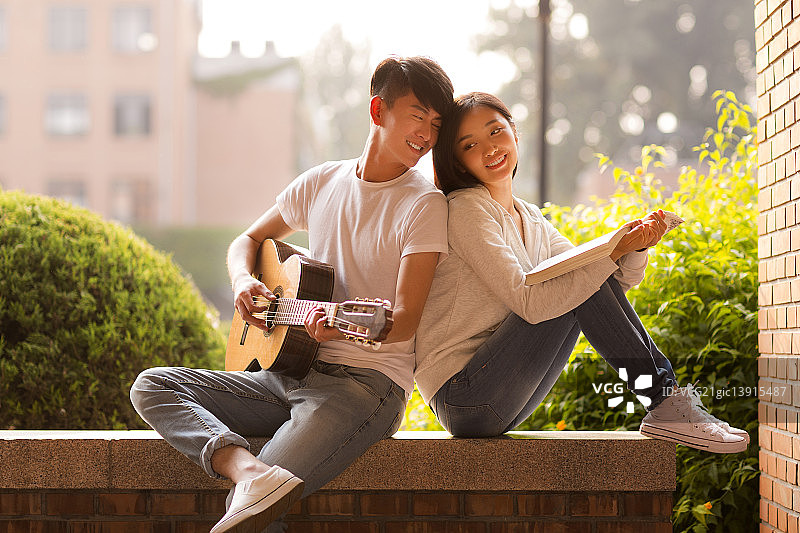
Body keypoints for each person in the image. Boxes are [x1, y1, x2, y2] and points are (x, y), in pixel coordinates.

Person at [130, 56, 454, 533]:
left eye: (436, 123)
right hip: (288, 373)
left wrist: (347, 323)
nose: (427, 134)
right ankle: (247, 470)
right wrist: (244, 282)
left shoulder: (423, 204)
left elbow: (403, 319)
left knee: (254, 515)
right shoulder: (323, 181)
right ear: (378, 110)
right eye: (417, 115)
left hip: (363, 385)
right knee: (153, 386)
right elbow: (247, 240)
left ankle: (255, 483)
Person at [414, 91, 748, 454]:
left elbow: (609, 283)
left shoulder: (530, 217)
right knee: (578, 282)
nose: (489, 148)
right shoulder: (466, 210)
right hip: (464, 395)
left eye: (495, 132)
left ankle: (666, 404)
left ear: (513, 132)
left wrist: (635, 247)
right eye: (470, 145)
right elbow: (530, 302)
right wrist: (611, 253)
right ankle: (665, 402)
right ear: (459, 162)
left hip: (501, 391)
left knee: (583, 277)